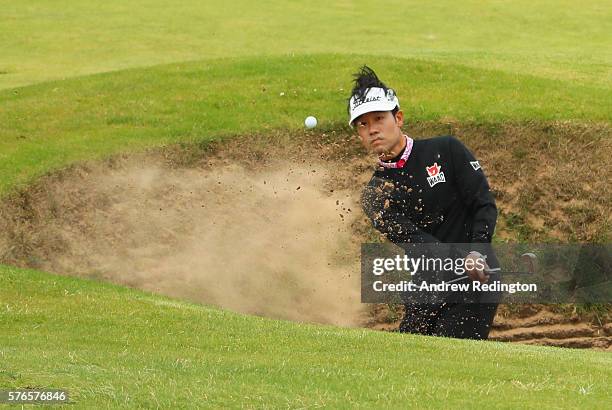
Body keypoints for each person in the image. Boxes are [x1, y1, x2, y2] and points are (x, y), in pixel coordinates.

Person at [348, 66, 501, 340]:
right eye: (363, 124)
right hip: (428, 289)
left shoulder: (447, 150)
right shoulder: (376, 195)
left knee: (450, 360)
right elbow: (421, 244)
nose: (372, 130)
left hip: (476, 282)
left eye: (379, 119)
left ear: (399, 118)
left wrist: (477, 251)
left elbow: (484, 205)